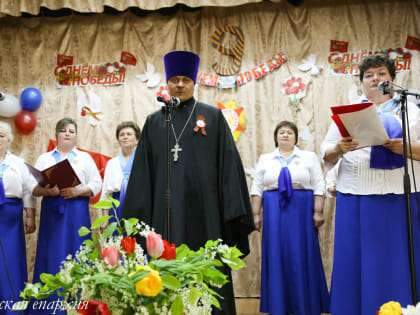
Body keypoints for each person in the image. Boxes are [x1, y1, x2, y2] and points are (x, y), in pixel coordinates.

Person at [122, 50, 254, 314]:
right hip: (164, 215)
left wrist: (232, 212)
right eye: (174, 79)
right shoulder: (154, 122)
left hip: (207, 216)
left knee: (208, 274)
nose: (180, 84)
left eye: (185, 79)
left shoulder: (213, 118)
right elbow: (141, 176)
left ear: (194, 83)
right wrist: (138, 221)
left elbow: (229, 167)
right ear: (167, 83)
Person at [321, 54, 420, 315]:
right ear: (361, 83)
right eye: (368, 75)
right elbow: (326, 154)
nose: (375, 79)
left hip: (400, 197)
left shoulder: (413, 111)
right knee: (356, 261)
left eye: (381, 74)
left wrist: (407, 148)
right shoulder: (348, 113)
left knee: (399, 260)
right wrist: (339, 148)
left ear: (392, 79)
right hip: (356, 197)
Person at [251, 120, 329, 315]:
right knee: (276, 252)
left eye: (289, 133)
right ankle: (278, 305)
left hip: (302, 209)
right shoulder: (265, 158)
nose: (285, 135)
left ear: (295, 137)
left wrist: (318, 211)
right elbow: (257, 187)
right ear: (276, 137)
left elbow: (319, 185)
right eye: (281, 132)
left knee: (301, 252)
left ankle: (306, 304)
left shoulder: (309, 157)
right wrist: (255, 214)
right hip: (272, 208)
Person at [30, 118, 102, 314]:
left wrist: (77, 191)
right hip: (51, 212)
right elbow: (33, 189)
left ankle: (79, 306)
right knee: (51, 253)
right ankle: (48, 307)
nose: (67, 133)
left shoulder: (85, 158)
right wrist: (47, 192)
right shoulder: (44, 158)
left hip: (76, 213)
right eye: (63, 130)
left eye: (71, 130)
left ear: (76, 135)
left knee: (77, 252)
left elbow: (97, 184)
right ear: (57, 135)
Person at [0, 121, 35, 315]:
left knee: (11, 261)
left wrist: (30, 216)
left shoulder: (17, 163)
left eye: (1, 135)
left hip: (11, 218)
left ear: (9, 140)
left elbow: (29, 190)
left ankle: (13, 308)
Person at [100, 121, 140, 224]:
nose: (125, 137)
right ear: (118, 140)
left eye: (129, 134)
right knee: (116, 239)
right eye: (122, 135)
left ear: (137, 140)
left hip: (138, 206)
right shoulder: (112, 163)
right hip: (116, 207)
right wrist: (105, 220)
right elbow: (106, 193)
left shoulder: (143, 162)